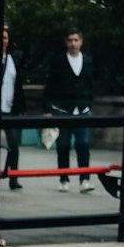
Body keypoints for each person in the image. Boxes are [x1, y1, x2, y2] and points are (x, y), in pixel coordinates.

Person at [43, 28, 94, 193]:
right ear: (66, 42)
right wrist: (48, 109)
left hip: (82, 110)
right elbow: (50, 84)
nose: (73, 43)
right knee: (63, 146)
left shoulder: (87, 61)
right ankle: (63, 179)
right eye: (70, 40)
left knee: (83, 144)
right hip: (62, 110)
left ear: (81, 42)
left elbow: (90, 85)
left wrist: (90, 106)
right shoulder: (58, 61)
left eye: (76, 40)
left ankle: (84, 179)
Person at [0, 26, 26, 190]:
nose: (3, 41)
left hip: (10, 109)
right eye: (0, 38)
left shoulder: (13, 59)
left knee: (14, 145)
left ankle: (13, 177)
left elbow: (19, 86)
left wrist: (22, 108)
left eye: (5, 38)